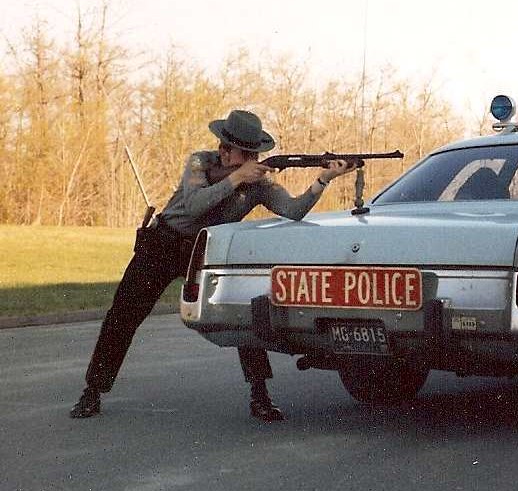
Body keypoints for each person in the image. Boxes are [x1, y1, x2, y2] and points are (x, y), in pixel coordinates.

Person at [70, 109, 355, 422]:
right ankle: (93, 391)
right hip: (163, 244)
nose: (240, 157)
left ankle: (260, 396)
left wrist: (323, 180)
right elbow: (193, 207)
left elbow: (294, 209)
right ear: (224, 148)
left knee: (241, 316)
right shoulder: (199, 162)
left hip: (205, 251)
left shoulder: (259, 184)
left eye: (251, 153)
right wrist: (235, 179)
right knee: (123, 315)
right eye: (237, 151)